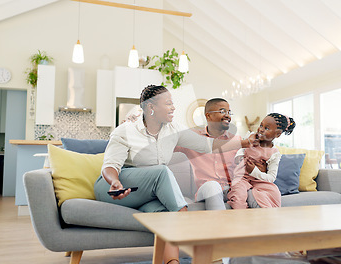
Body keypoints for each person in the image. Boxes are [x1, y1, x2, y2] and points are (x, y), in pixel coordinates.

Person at [94, 85, 257, 264]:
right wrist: (115, 181)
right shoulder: (126, 130)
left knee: (166, 214)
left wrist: (245, 142)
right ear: (151, 108)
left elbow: (207, 145)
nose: (173, 107)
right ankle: (186, 221)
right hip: (116, 187)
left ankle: (173, 261)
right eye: (168, 103)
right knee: (163, 172)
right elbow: (110, 165)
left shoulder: (174, 130)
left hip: (148, 193)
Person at [174, 98, 240, 210]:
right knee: (213, 186)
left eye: (229, 112)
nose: (228, 116)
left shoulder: (236, 140)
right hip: (207, 190)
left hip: (232, 191)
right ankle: (221, 227)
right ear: (208, 116)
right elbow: (165, 146)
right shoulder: (193, 138)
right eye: (223, 111)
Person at [227, 113, 296, 209]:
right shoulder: (252, 137)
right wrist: (239, 156)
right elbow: (242, 148)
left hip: (260, 181)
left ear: (278, 134)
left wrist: (254, 171)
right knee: (238, 196)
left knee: (274, 191)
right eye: (261, 125)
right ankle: (241, 217)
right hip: (242, 177)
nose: (261, 129)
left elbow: (271, 178)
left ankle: (266, 217)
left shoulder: (274, 153)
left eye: (267, 128)